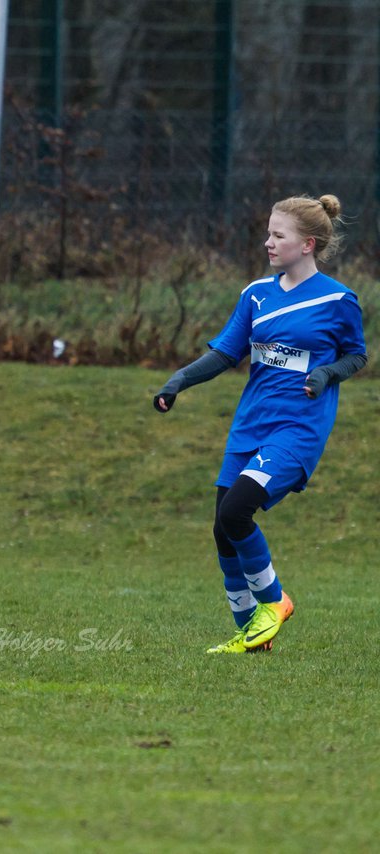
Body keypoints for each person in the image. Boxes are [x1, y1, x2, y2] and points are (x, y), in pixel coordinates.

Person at [154, 194, 366, 654]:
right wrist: (179, 381)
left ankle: (274, 603)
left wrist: (327, 373)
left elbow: (357, 354)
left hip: (298, 430)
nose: (267, 242)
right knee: (221, 527)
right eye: (268, 233)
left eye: (278, 235)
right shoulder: (255, 294)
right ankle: (251, 632)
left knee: (236, 512)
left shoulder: (337, 300)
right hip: (250, 425)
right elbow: (227, 353)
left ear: (307, 244)